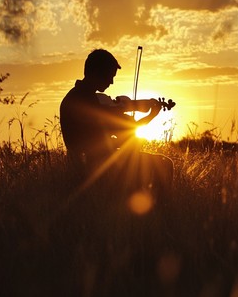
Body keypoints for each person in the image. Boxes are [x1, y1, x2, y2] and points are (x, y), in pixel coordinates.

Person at [60, 49, 173, 198]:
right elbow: (117, 125)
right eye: (109, 76)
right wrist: (146, 115)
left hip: (99, 160)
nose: (111, 82)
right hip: (96, 165)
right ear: (96, 72)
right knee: (165, 164)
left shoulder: (82, 96)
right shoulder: (83, 101)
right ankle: (161, 208)